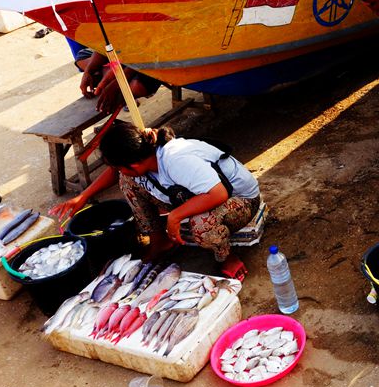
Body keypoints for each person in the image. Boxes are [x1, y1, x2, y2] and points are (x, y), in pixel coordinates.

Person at [49, 122, 260, 279]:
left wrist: (175, 217)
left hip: (239, 199)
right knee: (127, 181)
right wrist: (83, 196)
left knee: (202, 224)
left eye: (120, 165)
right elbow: (118, 172)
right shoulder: (143, 155)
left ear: (132, 163)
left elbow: (218, 194)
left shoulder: (175, 159)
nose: (117, 170)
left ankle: (227, 256)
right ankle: (160, 241)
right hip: (194, 193)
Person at [67, 39, 162, 115]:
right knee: (81, 57)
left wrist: (118, 82)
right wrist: (88, 72)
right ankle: (109, 71)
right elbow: (105, 44)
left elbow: (145, 55)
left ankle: (109, 72)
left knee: (136, 86)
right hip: (121, 53)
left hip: (152, 57)